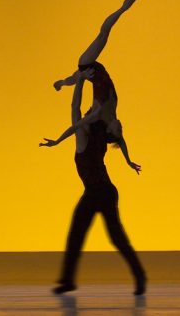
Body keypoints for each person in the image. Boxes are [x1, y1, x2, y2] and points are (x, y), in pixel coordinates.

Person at [39, 69, 147, 295]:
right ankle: (69, 280)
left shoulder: (84, 137)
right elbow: (79, 113)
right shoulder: (96, 138)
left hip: (101, 192)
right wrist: (79, 82)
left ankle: (137, 277)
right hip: (101, 192)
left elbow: (74, 110)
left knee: (105, 236)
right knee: (94, 236)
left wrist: (79, 82)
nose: (83, 120)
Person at [53, 0, 139, 133]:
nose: (121, 128)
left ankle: (123, 8)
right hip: (95, 70)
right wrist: (129, 157)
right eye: (121, 130)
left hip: (88, 66)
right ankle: (61, 83)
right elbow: (122, 142)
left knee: (103, 35)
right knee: (75, 77)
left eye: (118, 130)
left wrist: (57, 141)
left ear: (109, 130)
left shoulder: (98, 114)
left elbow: (75, 126)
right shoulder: (113, 111)